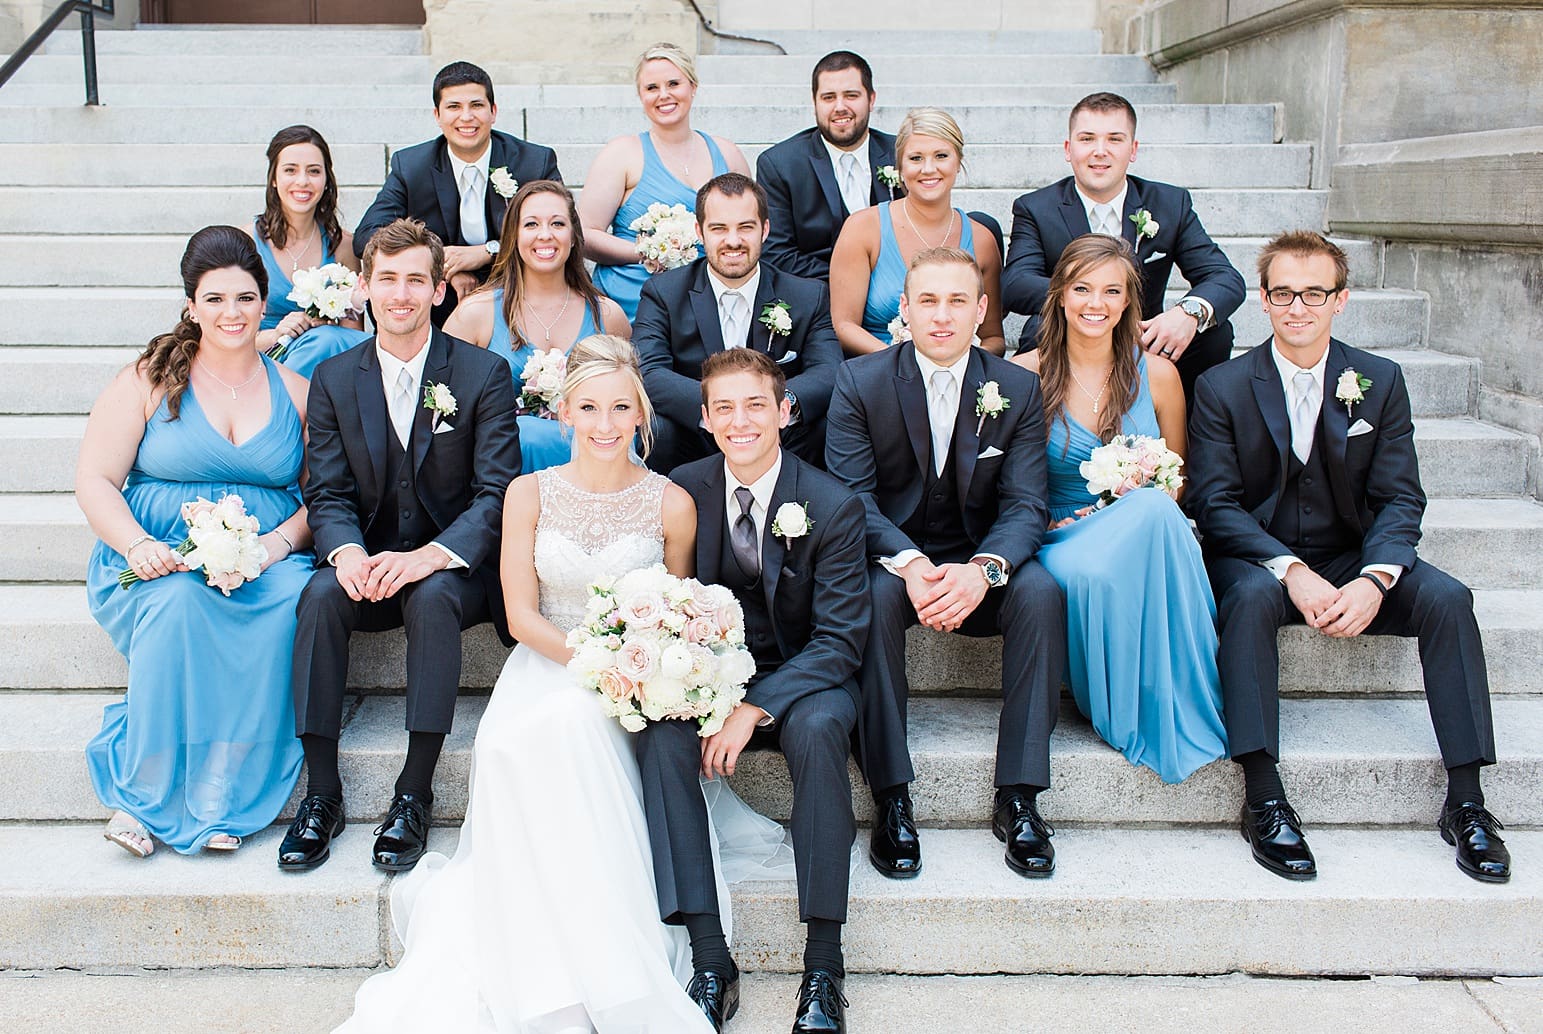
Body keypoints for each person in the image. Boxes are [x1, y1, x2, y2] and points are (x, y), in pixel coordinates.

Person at [336, 335, 776, 1033]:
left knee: (577, 729)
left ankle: (605, 934)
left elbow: (678, 606)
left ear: (640, 416)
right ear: (564, 412)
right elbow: (518, 615)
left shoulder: (670, 504)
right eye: (590, 408)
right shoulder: (526, 493)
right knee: (536, 734)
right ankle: (543, 942)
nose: (605, 424)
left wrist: (644, 671)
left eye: (620, 408)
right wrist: (597, 664)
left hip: (636, 684)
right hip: (547, 665)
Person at [1189, 230, 1510, 884]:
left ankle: (1467, 802)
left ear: (1340, 299)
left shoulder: (1378, 381)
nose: (1297, 308)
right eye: (1283, 293)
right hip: (1258, 560)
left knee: (1448, 599)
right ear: (1263, 299)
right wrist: (1289, 570)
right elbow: (1214, 504)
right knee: (1247, 600)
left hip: (1352, 556)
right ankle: (1263, 796)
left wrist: (1374, 577)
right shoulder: (1221, 386)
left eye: (1313, 293)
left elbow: (1400, 497)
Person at [280, 218, 521, 874]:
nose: (401, 294)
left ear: (440, 288)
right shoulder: (333, 379)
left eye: (416, 279)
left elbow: (496, 493)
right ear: (363, 287)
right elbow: (325, 492)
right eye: (386, 279)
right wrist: (348, 554)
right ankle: (322, 793)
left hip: (451, 570)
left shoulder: (483, 374)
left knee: (436, 596)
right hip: (369, 561)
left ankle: (413, 791)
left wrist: (430, 556)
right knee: (319, 596)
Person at [644, 348, 868, 1033]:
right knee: (658, 735)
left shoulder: (830, 502)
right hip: (708, 675)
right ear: (705, 418)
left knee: (821, 730)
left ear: (784, 412)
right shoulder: (680, 489)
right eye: (724, 408)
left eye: (754, 405)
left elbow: (840, 641)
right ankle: (711, 960)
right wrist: (703, 688)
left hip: (808, 678)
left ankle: (823, 969)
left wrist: (753, 706)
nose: (740, 421)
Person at [826, 247, 1065, 881]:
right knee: (868, 599)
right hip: (895, 558)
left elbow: (1025, 504)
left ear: (982, 309)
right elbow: (852, 499)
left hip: (980, 558)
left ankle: (1019, 797)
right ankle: (891, 795)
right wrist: (907, 563)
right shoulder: (861, 382)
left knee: (1041, 591)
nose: (941, 315)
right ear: (904, 309)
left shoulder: (1016, 387)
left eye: (957, 300)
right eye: (927, 300)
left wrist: (983, 568)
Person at [76, 225, 314, 857]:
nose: (230, 313)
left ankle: (221, 787)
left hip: (266, 558)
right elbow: (96, 478)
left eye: (243, 298)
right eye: (214, 299)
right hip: (160, 551)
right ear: (191, 306)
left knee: (288, 604)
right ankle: (142, 792)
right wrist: (135, 546)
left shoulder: (297, 392)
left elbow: (323, 498)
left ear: (266, 303)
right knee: (178, 603)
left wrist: (275, 547)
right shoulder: (148, 380)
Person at [1011, 234, 1227, 783]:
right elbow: (1007, 486)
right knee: (1147, 523)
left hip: (1144, 529)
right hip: (1063, 534)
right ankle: (1137, 700)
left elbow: (1178, 478)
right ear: (1059, 294)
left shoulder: (1158, 374)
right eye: (1082, 288)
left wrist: (1136, 493)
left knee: (1155, 512)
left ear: (1131, 300)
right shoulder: (1024, 375)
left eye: (1112, 291)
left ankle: (1170, 695)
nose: (1096, 303)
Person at [1002, 92, 1245, 402]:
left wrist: (1188, 313)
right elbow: (1015, 282)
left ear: (1133, 150)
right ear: (1068, 148)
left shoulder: (1170, 204)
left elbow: (1225, 278)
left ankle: (1189, 434)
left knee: (1213, 334)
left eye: (1114, 140)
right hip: (1073, 331)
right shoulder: (1036, 208)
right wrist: (1091, 303)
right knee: (1037, 329)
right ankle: (1041, 434)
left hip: (1145, 337)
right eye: (1087, 139)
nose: (1100, 151)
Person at [635, 173, 843, 473]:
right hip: (696, 438)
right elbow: (649, 372)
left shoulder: (807, 295)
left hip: (781, 439)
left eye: (745, 228)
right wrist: (722, 409)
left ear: (765, 229)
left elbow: (829, 370)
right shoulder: (664, 293)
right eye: (719, 229)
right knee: (658, 428)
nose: (733, 241)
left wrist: (775, 404)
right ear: (699, 231)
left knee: (828, 421)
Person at [444, 179, 631, 474]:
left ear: (573, 237)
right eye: (531, 225)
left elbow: (627, 406)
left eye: (557, 224)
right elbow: (446, 407)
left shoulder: (607, 316)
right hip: (501, 476)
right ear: (513, 237)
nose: (545, 235)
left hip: (594, 473)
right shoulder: (475, 314)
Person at [353, 61, 562, 325]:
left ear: (493, 111)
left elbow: (563, 231)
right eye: (454, 107)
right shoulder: (412, 166)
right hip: (445, 295)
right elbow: (366, 237)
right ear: (437, 115)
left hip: (519, 280)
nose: (466, 117)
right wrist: (445, 267)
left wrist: (487, 251)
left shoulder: (534, 162)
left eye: (476, 105)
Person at [579, 42, 751, 321]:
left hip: (711, 297)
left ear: (693, 87)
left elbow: (750, 228)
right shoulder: (621, 153)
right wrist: (648, 251)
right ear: (640, 95)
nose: (664, 95)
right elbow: (585, 233)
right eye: (651, 88)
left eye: (674, 83)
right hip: (635, 299)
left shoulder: (728, 154)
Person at [829, 107, 1006, 357]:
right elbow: (844, 325)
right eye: (916, 158)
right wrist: (905, 359)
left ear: (958, 162)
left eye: (941, 156)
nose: (928, 169)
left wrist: (961, 363)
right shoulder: (863, 229)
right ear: (900, 165)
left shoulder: (982, 240)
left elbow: (994, 337)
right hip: (880, 373)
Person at [757, 50, 899, 281]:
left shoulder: (901, 154)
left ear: (871, 99)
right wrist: (850, 281)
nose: (840, 107)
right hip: (819, 292)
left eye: (851, 95)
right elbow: (776, 254)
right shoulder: (780, 164)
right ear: (814, 102)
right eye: (829, 97)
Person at [248, 124, 372, 378]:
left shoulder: (344, 247)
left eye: (314, 171)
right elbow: (222, 332)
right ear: (274, 178)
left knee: (328, 340)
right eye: (290, 170)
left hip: (321, 363)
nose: (302, 181)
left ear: (326, 180)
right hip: (260, 358)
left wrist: (323, 324)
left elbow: (351, 335)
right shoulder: (245, 242)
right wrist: (278, 334)